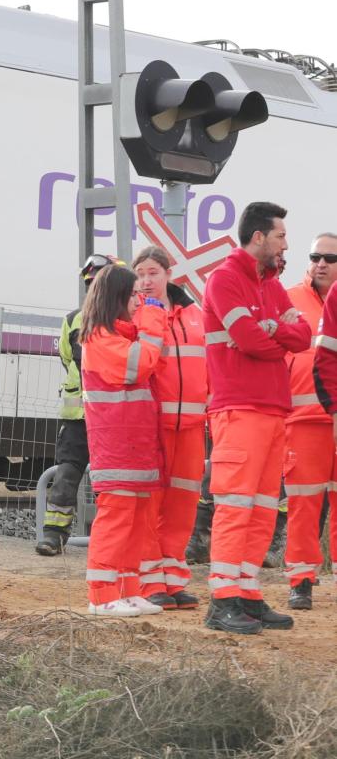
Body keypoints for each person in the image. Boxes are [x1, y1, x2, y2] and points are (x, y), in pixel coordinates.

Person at [202, 200, 308, 634]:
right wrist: (272, 333)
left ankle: (246, 593)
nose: (287, 243)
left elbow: (301, 337)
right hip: (239, 406)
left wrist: (271, 331)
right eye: (281, 235)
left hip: (270, 409)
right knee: (236, 505)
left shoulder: (271, 285)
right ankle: (222, 600)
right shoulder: (225, 278)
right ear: (259, 237)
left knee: (262, 508)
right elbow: (248, 340)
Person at [79, 264, 169, 617]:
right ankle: (101, 596)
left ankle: (128, 591)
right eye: (133, 294)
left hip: (134, 447)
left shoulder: (119, 335)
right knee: (116, 523)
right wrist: (152, 320)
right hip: (117, 448)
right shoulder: (100, 339)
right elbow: (140, 365)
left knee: (134, 525)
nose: (140, 300)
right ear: (116, 297)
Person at [130, 247, 207, 610]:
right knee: (150, 504)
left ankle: (174, 580)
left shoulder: (196, 315)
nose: (146, 281)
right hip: (153, 425)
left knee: (183, 504)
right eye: (141, 274)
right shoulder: (135, 314)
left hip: (192, 427)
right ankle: (149, 582)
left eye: (153, 273)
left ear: (168, 274)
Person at [37, 254, 123, 556]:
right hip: (80, 417)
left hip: (109, 416)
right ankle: (53, 535)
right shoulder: (74, 319)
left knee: (109, 480)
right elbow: (68, 360)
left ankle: (109, 541)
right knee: (67, 475)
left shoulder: (123, 318)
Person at [283, 233, 337, 608]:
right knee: (303, 503)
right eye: (315, 256)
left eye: (330, 258)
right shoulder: (288, 300)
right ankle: (301, 579)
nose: (321, 263)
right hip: (303, 420)